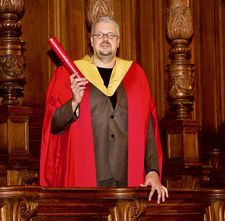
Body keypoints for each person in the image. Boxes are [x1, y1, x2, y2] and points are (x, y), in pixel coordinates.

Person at [40, 16, 168, 204]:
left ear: (118, 42)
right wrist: (74, 102)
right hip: (84, 178)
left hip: (127, 178)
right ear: (91, 41)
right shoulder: (68, 74)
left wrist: (153, 171)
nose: (105, 39)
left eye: (110, 35)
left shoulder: (136, 75)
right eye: (99, 34)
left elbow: (148, 126)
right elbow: (54, 126)